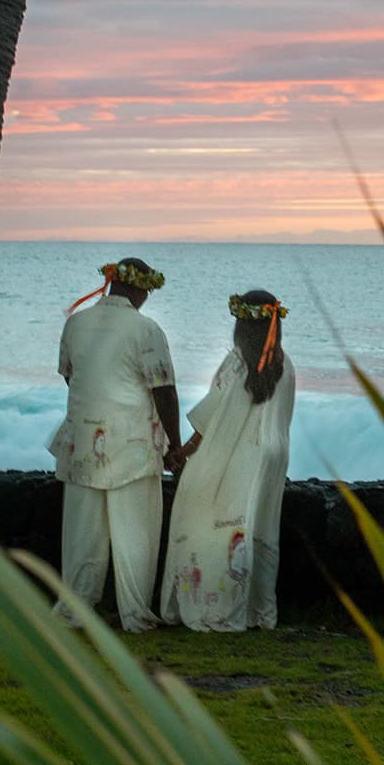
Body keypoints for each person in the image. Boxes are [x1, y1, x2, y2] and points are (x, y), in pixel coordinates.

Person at [48, 257, 182, 632]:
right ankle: (135, 613)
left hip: (82, 445)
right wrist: (175, 444)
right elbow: (164, 391)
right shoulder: (146, 329)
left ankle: (75, 610)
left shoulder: (76, 323)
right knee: (135, 534)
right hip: (132, 445)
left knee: (81, 537)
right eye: (147, 291)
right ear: (139, 288)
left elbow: (71, 377)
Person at [161, 289, 295, 631]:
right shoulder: (285, 364)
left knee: (213, 520)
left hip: (240, 451)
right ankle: (258, 610)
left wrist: (184, 451)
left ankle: (215, 603)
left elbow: (212, 416)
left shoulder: (236, 362)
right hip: (272, 453)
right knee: (259, 527)